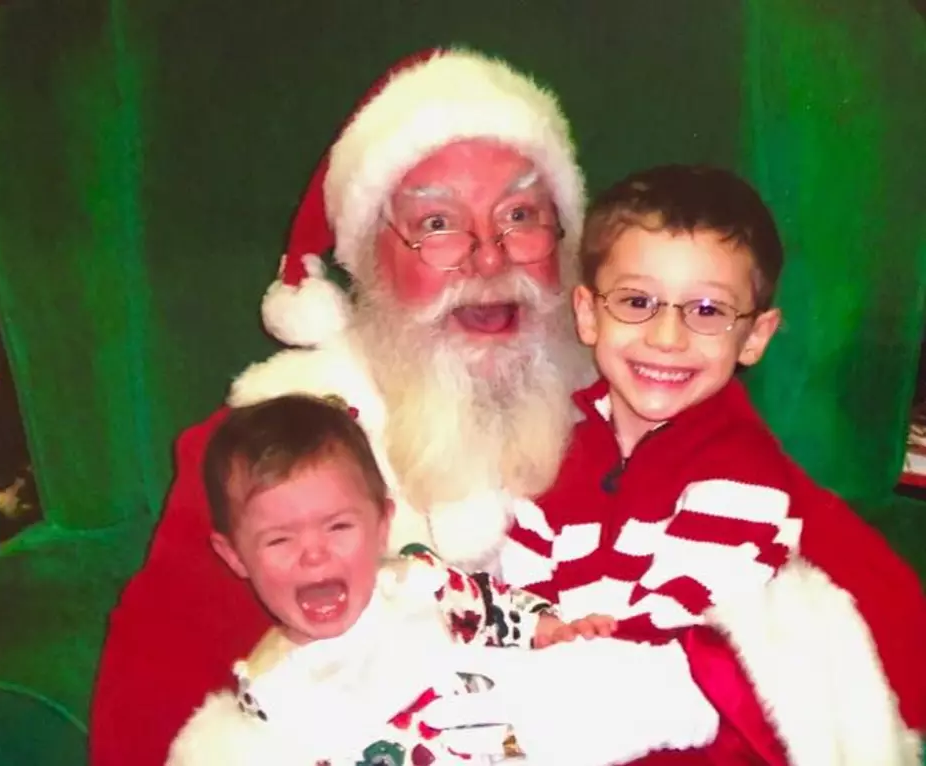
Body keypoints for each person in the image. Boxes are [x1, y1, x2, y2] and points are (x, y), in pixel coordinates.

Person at [90, 49, 925, 766]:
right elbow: (155, 708)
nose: (488, 256)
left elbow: (863, 613)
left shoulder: (635, 413)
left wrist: (687, 676)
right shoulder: (276, 448)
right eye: (438, 225)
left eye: (522, 215)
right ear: (369, 262)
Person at [419, 166, 926, 764]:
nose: (667, 337)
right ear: (587, 314)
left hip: (672, 718)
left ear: (756, 336)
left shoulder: (738, 466)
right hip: (549, 693)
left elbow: (690, 612)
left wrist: (575, 659)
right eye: (637, 301)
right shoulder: (553, 437)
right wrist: (532, 633)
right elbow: (518, 569)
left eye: (708, 311)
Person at [165, 394, 614, 766]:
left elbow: (498, 609)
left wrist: (551, 630)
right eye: (279, 540)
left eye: (339, 527)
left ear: (383, 523)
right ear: (234, 555)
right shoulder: (270, 688)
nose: (313, 553)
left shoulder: (420, 584)